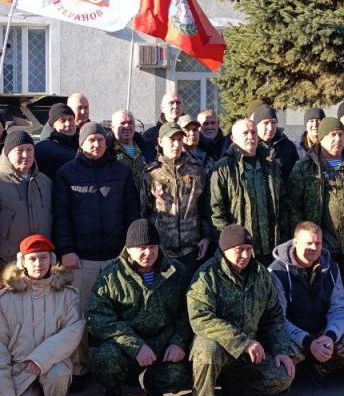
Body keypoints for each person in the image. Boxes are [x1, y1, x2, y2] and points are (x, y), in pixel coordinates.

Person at [187, 225, 297, 396]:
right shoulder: (207, 275)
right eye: (239, 250)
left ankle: (232, 383)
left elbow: (273, 316)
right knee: (206, 350)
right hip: (219, 345)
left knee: (282, 376)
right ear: (225, 250)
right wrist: (243, 342)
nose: (245, 255)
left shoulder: (260, 275)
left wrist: (281, 349)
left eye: (248, 249)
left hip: (248, 352)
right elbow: (200, 318)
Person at [53, 122, 140, 386]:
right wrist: (66, 250)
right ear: (81, 143)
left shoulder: (121, 172)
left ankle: (124, 363)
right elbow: (61, 215)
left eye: (100, 140)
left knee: (123, 313)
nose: (96, 144)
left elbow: (132, 211)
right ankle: (80, 368)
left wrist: (130, 249)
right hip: (81, 260)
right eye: (91, 140)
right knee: (79, 317)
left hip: (117, 258)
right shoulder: (66, 173)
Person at [89, 219, 192, 396]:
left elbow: (188, 312)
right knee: (104, 357)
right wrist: (135, 346)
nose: (148, 253)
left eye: (153, 247)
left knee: (178, 373)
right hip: (126, 346)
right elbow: (100, 319)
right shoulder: (110, 276)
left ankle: (152, 385)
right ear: (129, 249)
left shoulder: (177, 271)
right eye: (141, 248)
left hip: (162, 341)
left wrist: (178, 342)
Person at [0, 234, 85, 396]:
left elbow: (73, 331)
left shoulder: (67, 294)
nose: (39, 263)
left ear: (52, 259)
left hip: (53, 366)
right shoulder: (4, 299)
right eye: (32, 259)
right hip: (20, 372)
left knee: (58, 373)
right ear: (22, 262)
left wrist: (40, 359)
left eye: (44, 257)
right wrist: (5, 395)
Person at [268, 222, 344, 386]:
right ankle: (301, 368)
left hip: (321, 331)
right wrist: (307, 342)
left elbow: (340, 308)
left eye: (318, 243)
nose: (314, 248)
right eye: (308, 243)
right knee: (282, 368)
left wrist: (330, 336)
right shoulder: (276, 272)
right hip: (294, 336)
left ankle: (319, 366)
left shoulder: (332, 268)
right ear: (295, 242)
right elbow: (278, 319)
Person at [0, 129, 53, 311]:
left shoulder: (45, 182)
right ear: (8, 153)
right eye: (19, 151)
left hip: (41, 269)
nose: (25, 155)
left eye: (29, 150)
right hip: (7, 271)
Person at [286, 116, 344, 290]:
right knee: (326, 290)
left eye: (341, 134)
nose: (338, 139)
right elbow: (293, 205)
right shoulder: (305, 167)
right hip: (322, 247)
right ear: (321, 138)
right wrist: (305, 237)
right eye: (332, 135)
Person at [209, 119, 286, 267]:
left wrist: (283, 235)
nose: (251, 137)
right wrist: (232, 244)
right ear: (233, 138)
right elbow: (216, 211)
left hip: (272, 248)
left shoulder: (271, 164)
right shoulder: (224, 168)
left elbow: (282, 201)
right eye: (245, 133)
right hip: (241, 251)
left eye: (253, 132)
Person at [140, 121, 213, 274]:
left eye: (179, 139)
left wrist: (206, 237)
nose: (177, 144)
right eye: (172, 140)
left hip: (192, 250)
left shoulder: (196, 169)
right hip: (162, 251)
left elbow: (204, 207)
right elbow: (144, 211)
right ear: (160, 141)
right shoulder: (151, 173)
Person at [252, 104, 299, 179]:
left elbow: (296, 176)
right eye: (265, 123)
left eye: (273, 122)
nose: (270, 128)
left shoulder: (288, 147)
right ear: (256, 125)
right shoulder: (250, 148)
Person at [36, 103, 79, 179]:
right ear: (53, 125)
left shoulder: (82, 143)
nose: (68, 124)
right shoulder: (45, 148)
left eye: (70, 119)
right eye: (62, 120)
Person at [110, 109, 151, 188]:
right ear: (112, 126)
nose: (127, 126)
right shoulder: (108, 150)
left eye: (130, 122)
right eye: (122, 123)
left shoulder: (145, 147)